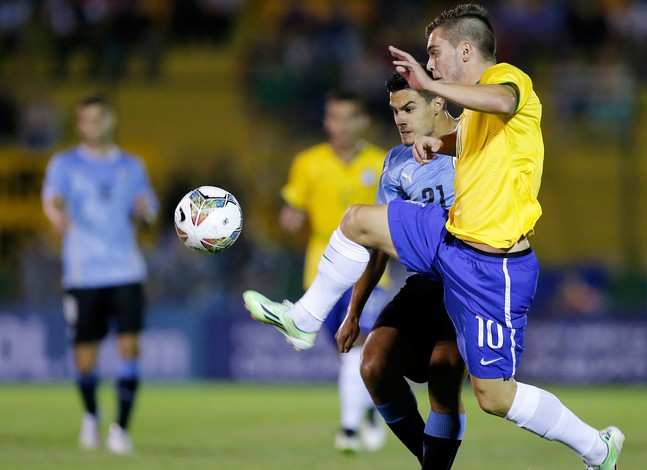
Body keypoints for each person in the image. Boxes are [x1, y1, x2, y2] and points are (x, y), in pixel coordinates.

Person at [243, 4, 625, 469]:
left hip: (493, 266)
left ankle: (596, 448)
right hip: (449, 240)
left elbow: (504, 102)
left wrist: (429, 85)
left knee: (495, 397)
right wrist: (437, 142)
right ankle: (305, 318)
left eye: (434, 52)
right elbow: (470, 137)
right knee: (359, 219)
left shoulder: (509, 79)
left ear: (466, 49)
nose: (430, 63)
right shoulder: (464, 117)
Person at [333, 72, 467, 469]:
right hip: (423, 286)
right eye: (395, 112)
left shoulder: (474, 142)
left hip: (467, 284)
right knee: (373, 365)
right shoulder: (396, 162)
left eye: (409, 108)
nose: (401, 120)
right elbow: (378, 244)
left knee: (444, 375)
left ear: (438, 102)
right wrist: (354, 311)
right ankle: (432, 462)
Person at [267, 89, 388, 453]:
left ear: (363, 121)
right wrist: (290, 218)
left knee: (360, 346)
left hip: (370, 268)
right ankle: (368, 411)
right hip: (321, 271)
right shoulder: (308, 162)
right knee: (347, 355)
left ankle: (348, 430)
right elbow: (293, 206)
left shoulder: (383, 162)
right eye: (334, 117)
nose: (341, 124)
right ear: (326, 121)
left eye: (348, 116)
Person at [42, 95, 159, 455]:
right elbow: (51, 199)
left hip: (126, 268)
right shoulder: (64, 164)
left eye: (99, 119)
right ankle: (92, 415)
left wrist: (143, 212)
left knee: (130, 346)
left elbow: (150, 211)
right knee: (85, 356)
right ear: (79, 126)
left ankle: (120, 429)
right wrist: (56, 214)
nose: (93, 126)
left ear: (111, 120)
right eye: (86, 120)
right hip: (84, 273)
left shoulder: (132, 165)